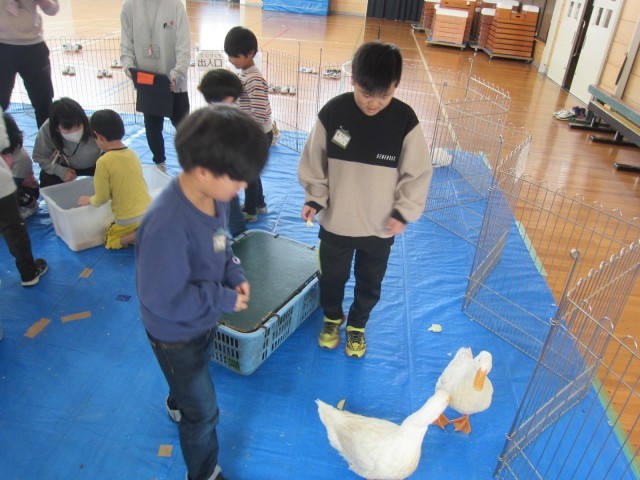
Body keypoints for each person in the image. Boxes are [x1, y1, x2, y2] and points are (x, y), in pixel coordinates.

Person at [136, 105, 269, 480]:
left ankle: (177, 397)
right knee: (204, 414)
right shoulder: (165, 225)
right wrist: (223, 298)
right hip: (175, 334)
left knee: (189, 376)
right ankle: (204, 472)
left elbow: (220, 241)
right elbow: (165, 299)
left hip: (203, 322)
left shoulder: (217, 196)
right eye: (239, 179)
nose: (243, 187)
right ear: (204, 171)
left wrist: (233, 271)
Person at [298, 41, 433, 359]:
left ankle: (357, 325)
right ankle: (333, 318)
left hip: (379, 226)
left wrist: (403, 211)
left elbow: (417, 173)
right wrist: (315, 198)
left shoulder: (405, 120)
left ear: (396, 86)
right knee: (332, 278)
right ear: (353, 81)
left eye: (383, 96)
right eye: (365, 93)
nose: (373, 103)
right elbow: (315, 160)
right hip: (337, 221)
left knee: (370, 283)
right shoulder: (334, 112)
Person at [120, 0, 191, 170]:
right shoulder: (130, 6)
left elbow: (184, 46)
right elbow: (126, 44)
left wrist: (177, 74)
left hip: (174, 84)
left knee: (185, 131)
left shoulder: (175, 6)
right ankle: (160, 165)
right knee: (152, 129)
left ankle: (193, 166)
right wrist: (129, 68)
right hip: (148, 83)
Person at [77, 109, 151, 249]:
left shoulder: (103, 162)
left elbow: (102, 198)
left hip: (128, 219)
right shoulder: (132, 154)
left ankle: (135, 236)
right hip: (148, 212)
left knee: (109, 240)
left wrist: (89, 200)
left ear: (98, 136)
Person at [224, 26, 272, 223]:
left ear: (250, 53)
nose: (231, 60)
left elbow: (260, 114)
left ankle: (251, 211)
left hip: (256, 134)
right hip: (252, 132)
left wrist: (244, 132)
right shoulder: (244, 74)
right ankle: (260, 204)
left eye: (236, 56)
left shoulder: (254, 79)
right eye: (229, 55)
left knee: (248, 174)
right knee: (253, 172)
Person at [0, 107, 48, 287]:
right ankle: (29, 273)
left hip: (19, 190)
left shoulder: (20, 156)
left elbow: (15, 186)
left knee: (13, 226)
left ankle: (29, 273)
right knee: (13, 229)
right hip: (5, 191)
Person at [198, 68, 246, 237]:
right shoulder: (220, 120)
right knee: (221, 219)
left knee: (228, 214)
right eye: (233, 98)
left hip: (221, 181)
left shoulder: (206, 117)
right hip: (217, 181)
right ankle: (228, 243)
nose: (235, 101)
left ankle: (236, 239)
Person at [0, 0, 59, 128]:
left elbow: (53, 9)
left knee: (44, 102)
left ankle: (48, 139)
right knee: (1, 102)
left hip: (33, 48)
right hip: (2, 47)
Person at [32, 97, 101, 187]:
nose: (74, 131)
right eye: (68, 129)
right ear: (56, 128)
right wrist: (59, 171)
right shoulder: (47, 129)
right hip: (66, 166)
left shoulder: (94, 124)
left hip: (98, 165)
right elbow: (40, 156)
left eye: (78, 125)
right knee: (47, 178)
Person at [1, 112, 40, 218]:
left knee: (17, 193)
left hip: (24, 189)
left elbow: (14, 184)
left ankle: (31, 205)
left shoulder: (21, 158)